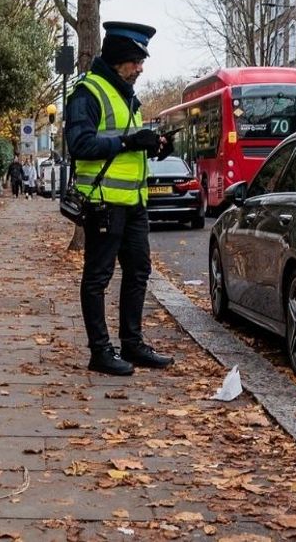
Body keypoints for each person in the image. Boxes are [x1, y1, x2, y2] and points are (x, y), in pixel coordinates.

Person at [64, 21, 175, 375]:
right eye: (135, 61)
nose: (140, 68)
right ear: (117, 59)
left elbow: (126, 143)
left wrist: (153, 146)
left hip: (133, 203)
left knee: (139, 270)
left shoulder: (128, 95)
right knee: (98, 277)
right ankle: (100, 351)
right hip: (103, 203)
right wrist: (129, 142)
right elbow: (80, 145)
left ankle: (132, 343)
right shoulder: (88, 92)